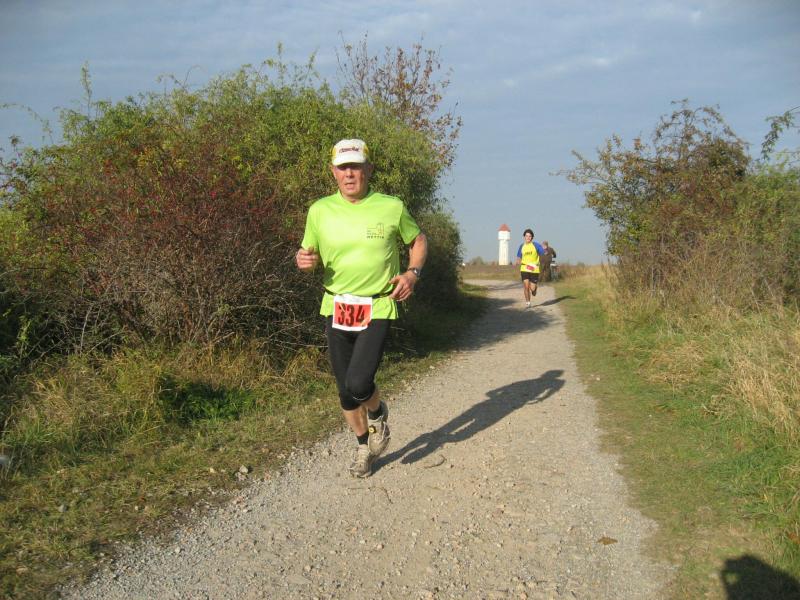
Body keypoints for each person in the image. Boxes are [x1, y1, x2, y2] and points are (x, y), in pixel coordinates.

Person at [295, 139, 428, 478]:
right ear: (333, 172)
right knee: (345, 392)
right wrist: (304, 260)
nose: (350, 173)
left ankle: (378, 413)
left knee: (358, 382)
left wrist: (412, 274)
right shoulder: (319, 210)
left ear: (369, 169)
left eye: (356, 166)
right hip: (336, 304)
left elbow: (418, 240)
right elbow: (308, 254)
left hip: (377, 305)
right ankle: (363, 448)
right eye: (343, 167)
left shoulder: (391, 207)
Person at [515, 228, 544, 308]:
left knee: (532, 289)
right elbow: (518, 257)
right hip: (524, 268)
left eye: (529, 236)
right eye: (526, 236)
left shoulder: (536, 245)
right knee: (526, 286)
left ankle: (534, 289)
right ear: (524, 237)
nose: (528, 237)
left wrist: (544, 251)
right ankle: (528, 302)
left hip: (534, 269)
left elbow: (542, 252)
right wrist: (518, 261)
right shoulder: (521, 246)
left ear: (532, 237)